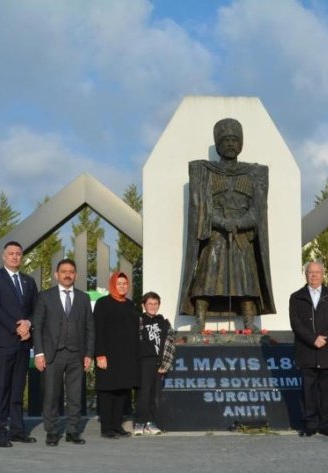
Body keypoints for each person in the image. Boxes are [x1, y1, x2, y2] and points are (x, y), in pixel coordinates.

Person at [180, 118, 275, 332]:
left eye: (235, 140)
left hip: (242, 238)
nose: (231, 144)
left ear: (241, 144)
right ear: (218, 145)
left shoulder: (253, 173)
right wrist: (222, 222)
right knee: (206, 280)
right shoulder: (205, 172)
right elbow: (202, 207)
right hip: (215, 236)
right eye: (226, 140)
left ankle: (250, 324)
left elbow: (258, 210)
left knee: (247, 282)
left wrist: (240, 223)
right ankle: (199, 323)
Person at [32, 259, 94, 446]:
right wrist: (39, 353)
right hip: (53, 353)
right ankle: (52, 431)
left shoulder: (83, 298)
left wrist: (89, 354)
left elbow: (90, 328)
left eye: (71, 271)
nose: (68, 274)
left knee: (75, 395)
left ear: (75, 275)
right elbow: (37, 326)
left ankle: (73, 431)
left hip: (77, 354)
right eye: (64, 271)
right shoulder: (45, 297)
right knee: (51, 395)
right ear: (56, 275)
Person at [0, 241, 38, 446]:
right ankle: (0, 432)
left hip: (24, 344)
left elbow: (36, 308)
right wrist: (17, 327)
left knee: (18, 388)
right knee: (1, 389)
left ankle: (18, 429)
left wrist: (29, 323)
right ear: (3, 256)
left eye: (18, 253)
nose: (15, 257)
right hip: (4, 342)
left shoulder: (28, 281)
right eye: (11, 253)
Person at [289, 262, 328, 437]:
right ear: (305, 275)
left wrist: (324, 339)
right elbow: (295, 323)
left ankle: (327, 424)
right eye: (310, 272)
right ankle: (310, 425)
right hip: (307, 351)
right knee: (308, 391)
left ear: (323, 274)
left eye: (317, 272)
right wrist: (313, 339)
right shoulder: (296, 297)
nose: (313, 275)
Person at [94, 272, 140, 439]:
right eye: (119, 283)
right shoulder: (103, 303)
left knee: (122, 392)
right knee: (107, 392)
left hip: (126, 356)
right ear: (112, 284)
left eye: (125, 284)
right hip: (108, 355)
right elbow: (97, 330)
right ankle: (106, 428)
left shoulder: (130, 304)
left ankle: (117, 425)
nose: (122, 286)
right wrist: (99, 354)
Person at [134, 292, 176, 436]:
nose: (153, 306)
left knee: (155, 395)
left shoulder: (164, 322)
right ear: (143, 305)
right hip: (143, 361)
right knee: (143, 393)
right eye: (150, 304)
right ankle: (139, 422)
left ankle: (151, 423)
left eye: (155, 304)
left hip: (158, 363)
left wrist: (166, 364)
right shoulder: (138, 321)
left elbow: (170, 344)